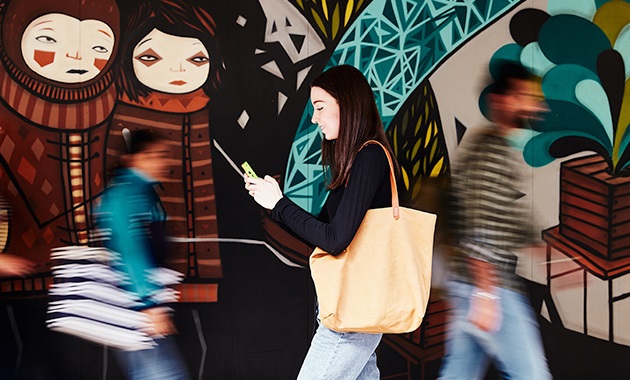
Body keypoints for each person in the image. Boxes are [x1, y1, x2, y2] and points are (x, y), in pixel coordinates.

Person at [244, 64, 397, 379]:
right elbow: (322, 231)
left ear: (346, 105)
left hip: (351, 313)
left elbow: (334, 240)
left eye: (320, 107)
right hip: (346, 308)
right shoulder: (357, 162)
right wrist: (274, 203)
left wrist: (280, 204)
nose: (314, 118)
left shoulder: (370, 158)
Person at [438, 61, 551, 379]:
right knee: (532, 375)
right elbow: (480, 229)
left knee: (460, 373)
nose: (535, 105)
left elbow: (508, 220)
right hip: (489, 286)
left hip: (469, 285)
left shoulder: (492, 147)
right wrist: (486, 295)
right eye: (525, 96)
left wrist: (548, 253)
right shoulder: (489, 152)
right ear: (502, 100)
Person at [93, 129, 189, 380]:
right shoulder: (127, 194)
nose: (164, 162)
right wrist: (149, 304)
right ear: (137, 158)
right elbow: (129, 249)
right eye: (158, 155)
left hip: (139, 307)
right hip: (138, 309)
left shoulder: (139, 192)